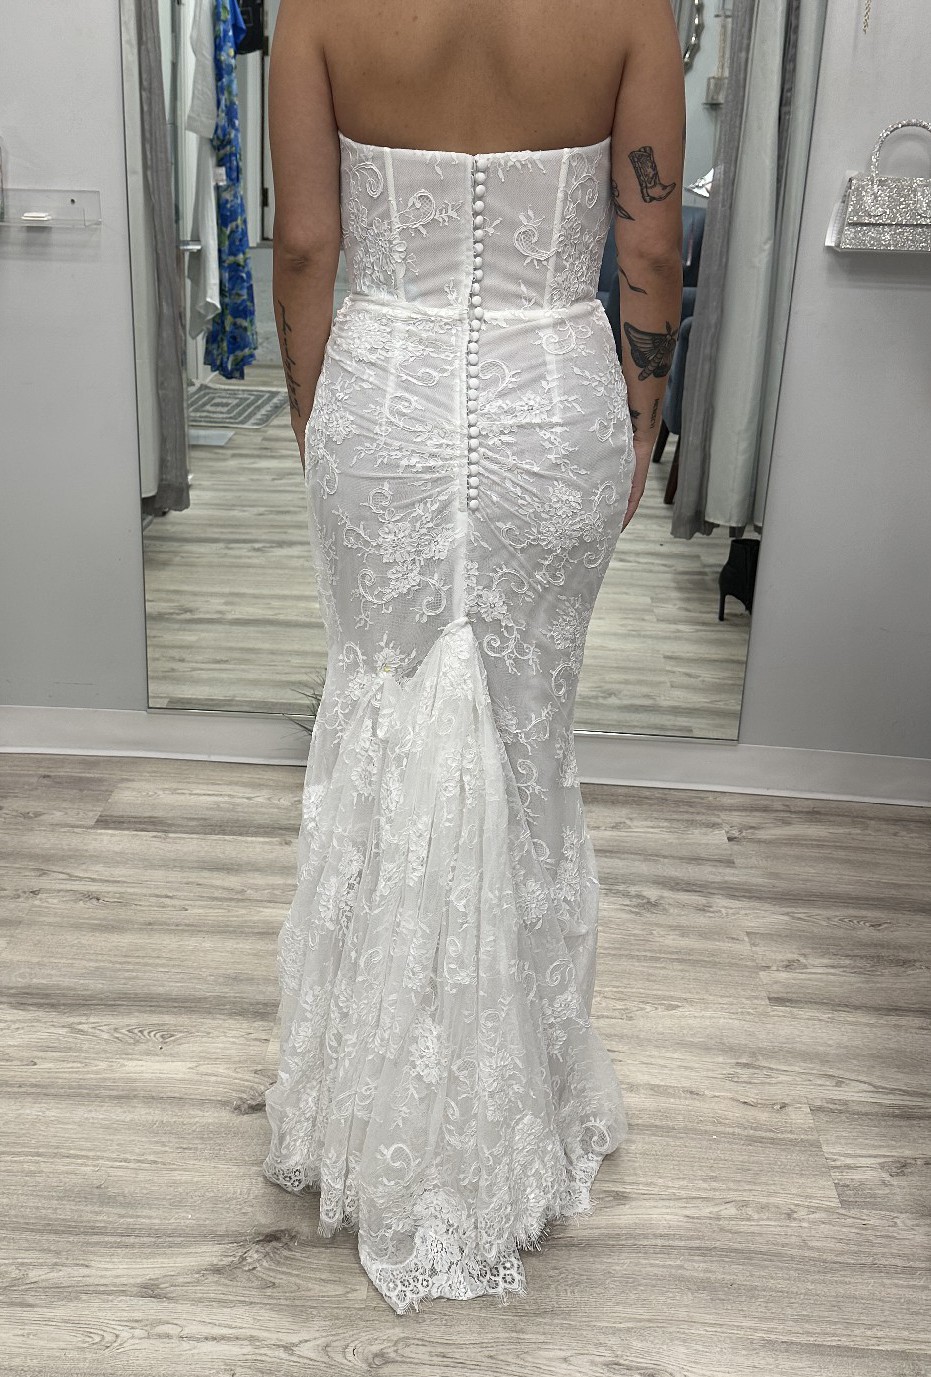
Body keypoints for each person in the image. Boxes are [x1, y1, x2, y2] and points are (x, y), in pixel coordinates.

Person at [262, 0, 684, 1314]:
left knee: (378, 725)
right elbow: (650, 245)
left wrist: (315, 415)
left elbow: (305, 244)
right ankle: (517, 1093)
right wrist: (643, 418)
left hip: (380, 401)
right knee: (528, 739)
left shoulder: (318, 11)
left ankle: (364, 1102)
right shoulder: (631, 11)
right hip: (554, 403)